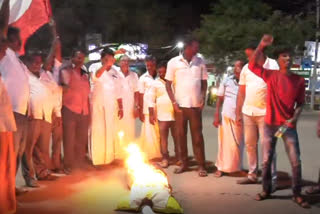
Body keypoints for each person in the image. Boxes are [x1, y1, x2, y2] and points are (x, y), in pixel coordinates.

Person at [250, 34, 309, 208]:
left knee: (295, 161)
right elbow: (252, 65)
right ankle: (266, 190)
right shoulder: (271, 76)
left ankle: (296, 194)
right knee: (267, 160)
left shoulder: (299, 80)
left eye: (290, 56)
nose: (288, 58)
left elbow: (301, 103)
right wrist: (261, 45)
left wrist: (294, 118)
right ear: (278, 59)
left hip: (287, 126)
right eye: (284, 55)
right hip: (270, 124)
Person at [236, 44, 279, 186]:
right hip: (248, 112)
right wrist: (238, 112)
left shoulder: (273, 64)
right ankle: (252, 174)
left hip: (266, 113)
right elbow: (241, 92)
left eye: (251, 55)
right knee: (250, 144)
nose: (249, 58)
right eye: (248, 56)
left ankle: (271, 178)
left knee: (267, 146)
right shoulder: (246, 68)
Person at [165, 37, 208, 177]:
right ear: (188, 47)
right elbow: (168, 84)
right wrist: (173, 102)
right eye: (195, 47)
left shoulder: (200, 61)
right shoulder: (173, 62)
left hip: (195, 105)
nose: (197, 50)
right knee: (180, 136)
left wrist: (203, 97)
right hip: (180, 106)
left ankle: (201, 165)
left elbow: (204, 82)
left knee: (197, 137)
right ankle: (183, 163)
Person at [0, 1, 30, 194]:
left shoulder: (17, 59)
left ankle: (10, 187)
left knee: (17, 152)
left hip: (21, 112)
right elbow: (2, 27)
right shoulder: (4, 54)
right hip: (9, 113)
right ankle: (6, 189)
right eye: (16, 40)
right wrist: (5, 3)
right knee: (7, 154)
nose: (20, 43)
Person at [22, 51, 59, 188]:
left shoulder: (46, 75)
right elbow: (23, 93)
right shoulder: (25, 75)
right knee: (28, 149)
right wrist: (28, 109)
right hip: (33, 116)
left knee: (42, 149)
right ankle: (29, 177)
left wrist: (56, 112)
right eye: (34, 62)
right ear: (27, 63)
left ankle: (42, 172)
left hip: (46, 115)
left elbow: (54, 93)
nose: (37, 65)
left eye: (39, 62)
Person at [89, 48, 124, 165]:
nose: (110, 61)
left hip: (111, 105)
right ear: (102, 58)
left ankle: (109, 158)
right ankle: (97, 160)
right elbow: (95, 77)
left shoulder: (115, 71)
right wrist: (105, 65)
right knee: (97, 130)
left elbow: (118, 90)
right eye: (106, 59)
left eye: (111, 59)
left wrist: (121, 106)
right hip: (97, 104)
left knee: (110, 130)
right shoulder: (94, 66)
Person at [60, 49, 90, 172]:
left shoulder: (85, 73)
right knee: (69, 139)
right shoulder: (66, 70)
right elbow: (63, 88)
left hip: (84, 111)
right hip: (69, 109)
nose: (80, 60)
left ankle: (79, 163)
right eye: (78, 58)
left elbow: (87, 92)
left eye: (82, 58)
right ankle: (68, 165)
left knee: (81, 139)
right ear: (72, 58)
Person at [213, 60, 244, 177]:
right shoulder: (227, 80)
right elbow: (219, 98)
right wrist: (216, 114)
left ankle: (237, 168)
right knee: (224, 143)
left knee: (238, 144)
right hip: (226, 115)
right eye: (236, 66)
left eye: (240, 66)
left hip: (240, 117)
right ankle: (220, 168)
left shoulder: (247, 81)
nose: (237, 68)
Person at [0, 0, 17, 212]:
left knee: (6, 169)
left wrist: (5, 4)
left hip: (6, 127)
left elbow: (2, 27)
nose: (5, 47)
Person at [41, 19, 64, 174]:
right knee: (43, 144)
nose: (51, 62)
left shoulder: (56, 73)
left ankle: (56, 165)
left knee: (57, 142)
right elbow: (52, 51)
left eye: (52, 61)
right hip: (45, 114)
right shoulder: (40, 75)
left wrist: (54, 30)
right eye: (48, 61)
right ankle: (45, 168)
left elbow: (57, 48)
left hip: (58, 113)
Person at [149, 62, 178, 168]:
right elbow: (151, 99)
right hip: (162, 115)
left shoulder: (174, 81)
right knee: (163, 138)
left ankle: (178, 157)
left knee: (177, 137)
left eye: (164, 71)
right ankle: (165, 158)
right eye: (160, 72)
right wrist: (151, 114)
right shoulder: (155, 83)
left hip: (175, 114)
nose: (162, 73)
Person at [115, 55, 139, 159]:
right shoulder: (115, 74)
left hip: (130, 106)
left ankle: (129, 154)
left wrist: (136, 106)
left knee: (130, 129)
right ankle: (118, 154)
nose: (125, 63)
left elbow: (136, 92)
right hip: (118, 107)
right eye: (123, 61)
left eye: (126, 61)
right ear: (119, 63)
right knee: (118, 129)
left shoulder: (134, 75)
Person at [138, 55, 161, 160]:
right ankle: (152, 155)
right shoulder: (143, 78)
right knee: (149, 133)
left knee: (159, 132)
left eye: (151, 65)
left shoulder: (160, 77)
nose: (149, 67)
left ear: (155, 64)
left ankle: (161, 152)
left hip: (160, 108)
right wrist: (140, 111)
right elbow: (140, 95)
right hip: (147, 109)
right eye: (147, 65)